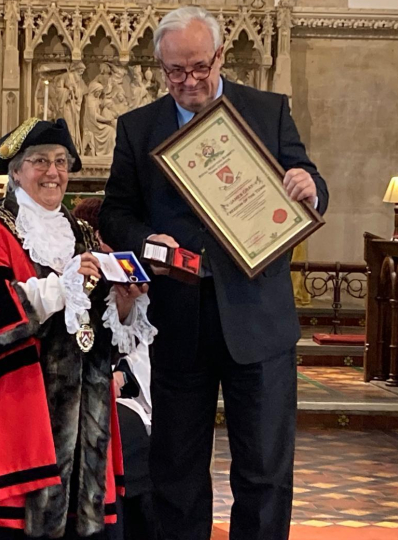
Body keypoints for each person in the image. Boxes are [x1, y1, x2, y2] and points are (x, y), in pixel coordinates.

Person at [99, 7, 329, 540]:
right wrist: (143, 239)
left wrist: (308, 186)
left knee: (265, 470)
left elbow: (310, 180)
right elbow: (116, 211)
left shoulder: (267, 111)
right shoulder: (139, 128)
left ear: (220, 57)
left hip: (259, 318)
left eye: (199, 67)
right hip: (179, 318)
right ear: (159, 66)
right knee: (176, 469)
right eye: (175, 71)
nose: (189, 81)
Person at [0, 118, 157, 540]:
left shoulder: (83, 233)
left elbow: (98, 326)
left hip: (84, 418)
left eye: (60, 162)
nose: (53, 172)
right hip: (15, 410)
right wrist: (62, 287)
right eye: (39, 162)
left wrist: (122, 303)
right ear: (15, 171)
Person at [73, 197, 158, 540]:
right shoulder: (72, 278)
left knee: (129, 436)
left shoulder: (137, 285)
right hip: (80, 397)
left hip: (133, 403)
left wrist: (124, 303)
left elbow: (141, 350)